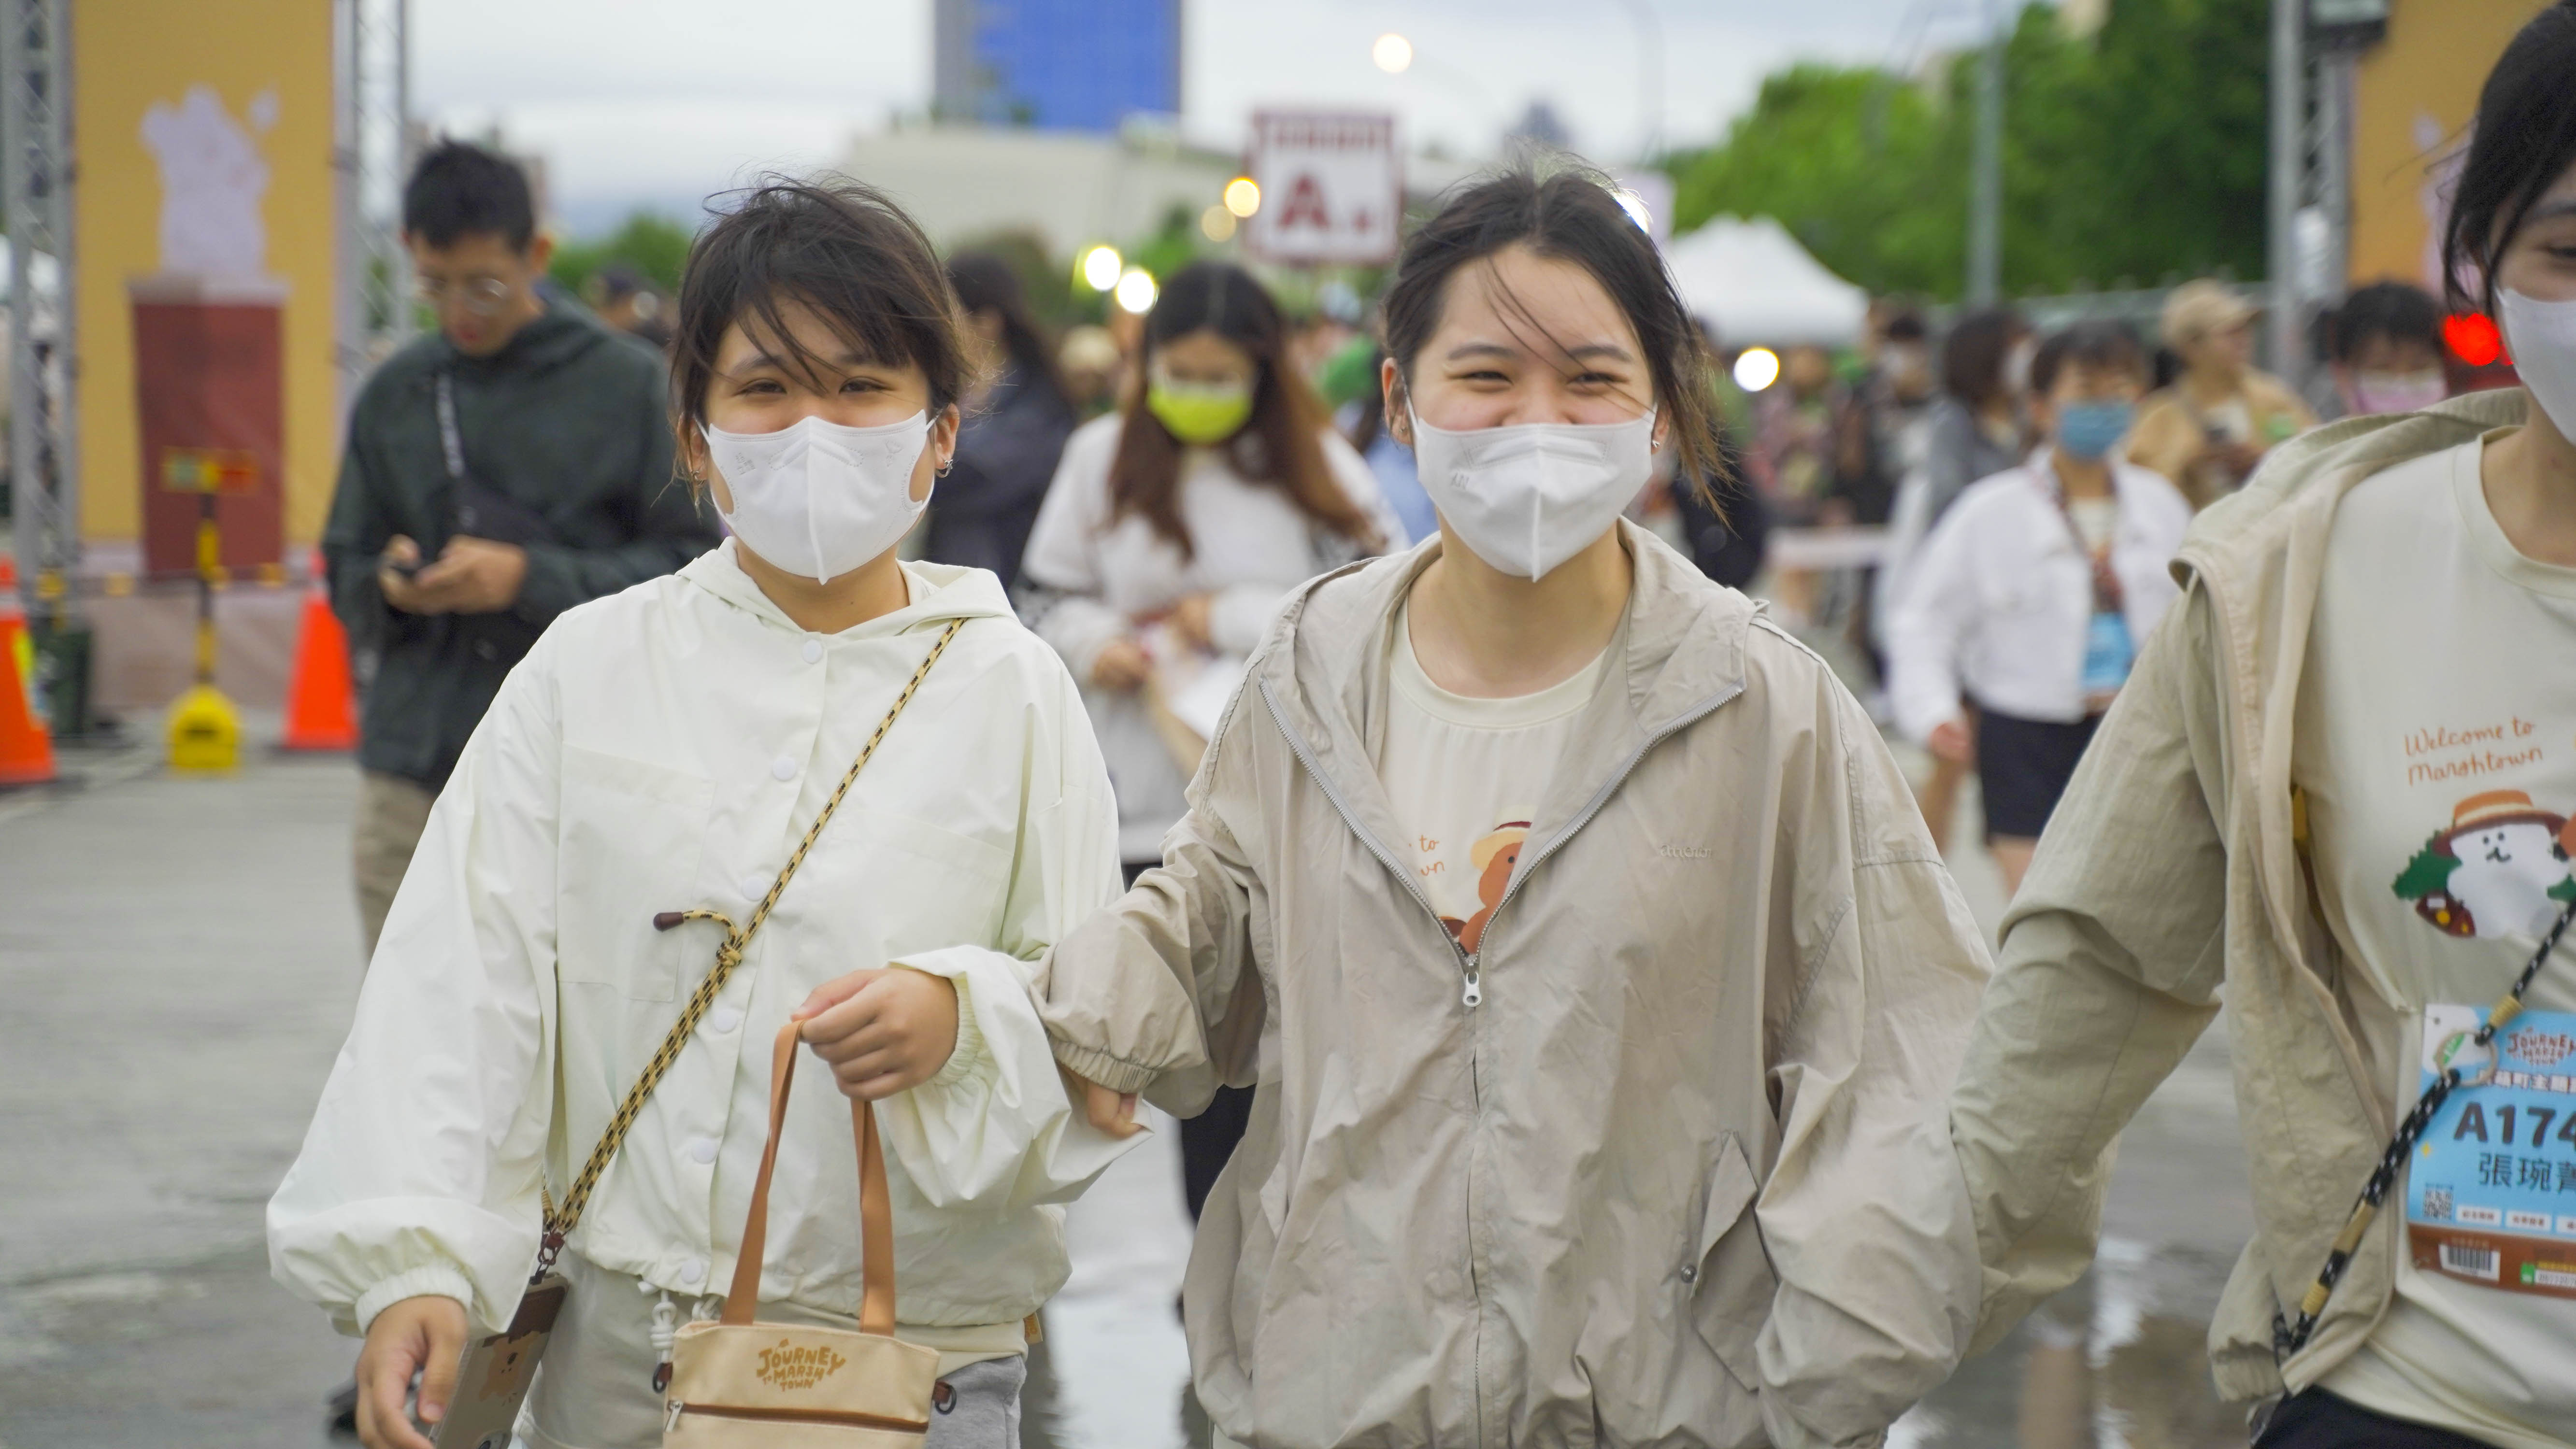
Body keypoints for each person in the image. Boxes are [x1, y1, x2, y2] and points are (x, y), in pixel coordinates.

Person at [1037, 167, 1991, 1449]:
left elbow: (1906, 1076)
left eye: (1590, 379)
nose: (1537, 422)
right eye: (1485, 376)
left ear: (1658, 411)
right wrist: (995, 1017)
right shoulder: (1312, 673)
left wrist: (1810, 1392)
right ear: (1398, 400)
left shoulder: (1764, 701)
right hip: (1344, 1409)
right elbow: (1196, 937)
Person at [270, 179, 1134, 1449]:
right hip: (618, 1355)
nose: (813, 430)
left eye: (861, 387)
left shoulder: (1013, 690)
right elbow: (464, 979)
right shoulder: (585, 668)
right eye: (766, 389)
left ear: (940, 432)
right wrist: (419, 1261)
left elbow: (1098, 1025)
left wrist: (964, 1018)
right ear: (693, 436)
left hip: (900, 1364)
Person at [1943, 8, 2576, 1447]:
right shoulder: (2300, 569)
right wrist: (1856, 1335)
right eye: (2572, 251)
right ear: (2479, 257)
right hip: (2413, 1388)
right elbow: (2095, 963)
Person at [1019, 260, 1400, 1222]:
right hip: (1139, 797)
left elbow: (1381, 604)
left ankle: (1263, 1255)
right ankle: (1206, 1264)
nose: (1196, 394)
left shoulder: (1317, 465)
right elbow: (1045, 596)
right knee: (1172, 1055)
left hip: (1277, 805)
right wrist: (1098, 643)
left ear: (1263, 372)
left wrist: (1224, 616)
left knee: (1265, 1059)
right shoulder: (1100, 456)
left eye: (1218, 376)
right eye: (1178, 374)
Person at [324, 142, 719, 960]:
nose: (459, 310)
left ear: (536, 255)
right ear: (410, 255)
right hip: (414, 770)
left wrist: (526, 578)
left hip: (585, 772)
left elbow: (690, 570)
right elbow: (343, 562)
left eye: (484, 285)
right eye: (435, 286)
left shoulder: (623, 383)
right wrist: (390, 583)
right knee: (405, 1016)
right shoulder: (397, 392)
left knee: (573, 1019)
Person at [1887, 321, 2191, 899]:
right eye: (2086, 392)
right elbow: (1924, 621)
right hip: (2023, 735)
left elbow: (2197, 629)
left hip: (2135, 732)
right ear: (2040, 407)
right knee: (2038, 910)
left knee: (2133, 907)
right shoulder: (1990, 511)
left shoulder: (2161, 507)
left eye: (2118, 391)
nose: (2104, 407)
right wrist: (1932, 711)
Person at [1875, 308, 2031, 853]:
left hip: (2020, 608)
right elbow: (1949, 508)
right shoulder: (1954, 424)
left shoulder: (2030, 420)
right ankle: (1922, 868)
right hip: (1966, 605)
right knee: (1952, 754)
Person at [920, 251, 1077, 589]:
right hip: (949, 582)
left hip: (1003, 588)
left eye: (945, 316)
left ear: (987, 322)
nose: (933, 329)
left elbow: (968, 479)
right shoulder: (950, 394)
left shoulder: (1039, 409)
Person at [2129, 278, 2319, 507]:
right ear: (2191, 347)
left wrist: (2265, 462)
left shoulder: (2274, 398)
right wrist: (2189, 472)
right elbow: (2137, 495)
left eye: (2245, 330)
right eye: (2230, 333)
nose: (2244, 340)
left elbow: (2319, 459)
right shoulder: (2159, 419)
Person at [2326, 281, 2451, 419]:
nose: (2404, 388)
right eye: (2382, 368)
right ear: (2342, 375)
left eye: (2420, 367)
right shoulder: (2320, 433)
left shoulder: (2467, 431)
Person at [585, 262, 672, 350]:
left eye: (608, 307)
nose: (599, 315)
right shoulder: (604, 340)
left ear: (628, 302)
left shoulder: (655, 338)